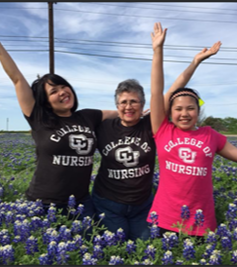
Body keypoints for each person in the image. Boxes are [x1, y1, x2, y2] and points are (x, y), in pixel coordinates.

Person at [0, 21, 118, 220]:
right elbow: (17, 79)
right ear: (45, 102)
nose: (62, 92)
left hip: (81, 202)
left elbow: (124, 112)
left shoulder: (88, 115)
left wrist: (148, 111)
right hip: (44, 203)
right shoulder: (39, 118)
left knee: (91, 245)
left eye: (64, 86)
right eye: (54, 91)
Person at [148, 22, 237, 237]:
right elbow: (157, 92)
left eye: (191, 108)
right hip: (165, 215)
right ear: (169, 112)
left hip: (201, 218)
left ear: (198, 111)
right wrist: (158, 50)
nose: (184, 113)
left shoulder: (210, 135)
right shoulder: (163, 130)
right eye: (178, 109)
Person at [92, 32, 222, 241]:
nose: (128, 106)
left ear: (143, 105)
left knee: (146, 249)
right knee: (112, 246)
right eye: (123, 102)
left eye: (134, 101)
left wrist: (195, 62)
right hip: (108, 202)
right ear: (116, 105)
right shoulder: (103, 126)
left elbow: (173, 89)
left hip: (142, 205)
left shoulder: (152, 125)